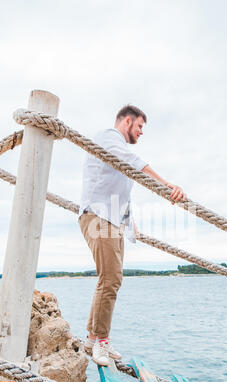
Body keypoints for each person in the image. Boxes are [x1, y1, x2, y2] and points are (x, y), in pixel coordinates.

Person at [78, 105, 186, 366]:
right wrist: (167, 183)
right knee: (111, 278)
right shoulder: (108, 137)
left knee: (109, 279)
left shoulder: (118, 153)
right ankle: (101, 341)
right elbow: (133, 162)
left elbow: (118, 194)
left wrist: (130, 223)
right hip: (98, 217)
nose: (141, 133)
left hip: (110, 219)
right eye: (139, 127)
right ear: (127, 121)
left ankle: (93, 339)